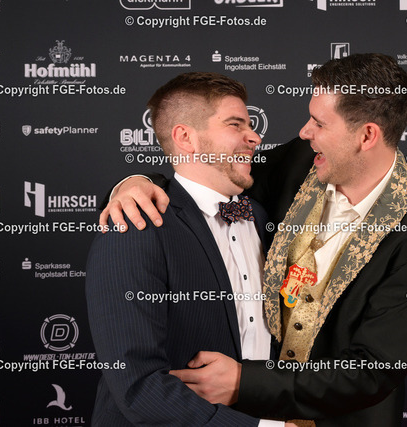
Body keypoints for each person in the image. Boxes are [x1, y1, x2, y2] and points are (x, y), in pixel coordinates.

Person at [102, 53, 407, 426]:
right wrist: (136, 183)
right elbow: (212, 174)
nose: (304, 132)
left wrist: (244, 382)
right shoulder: (303, 160)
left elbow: (372, 371)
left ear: (367, 135)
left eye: (319, 123)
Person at [86, 71, 291, 426]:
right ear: (185, 137)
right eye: (235, 124)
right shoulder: (135, 225)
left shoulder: (259, 215)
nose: (255, 137)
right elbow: (138, 387)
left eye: (250, 124)